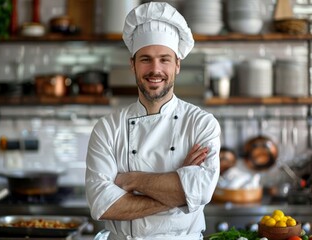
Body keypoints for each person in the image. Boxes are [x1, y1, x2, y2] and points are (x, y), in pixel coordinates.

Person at [85, 2, 221, 239]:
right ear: (133, 65)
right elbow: (103, 205)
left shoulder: (201, 124)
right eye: (146, 59)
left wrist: (133, 180)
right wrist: (179, 188)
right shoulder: (108, 128)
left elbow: (200, 192)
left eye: (165, 59)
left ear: (177, 65)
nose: (155, 69)